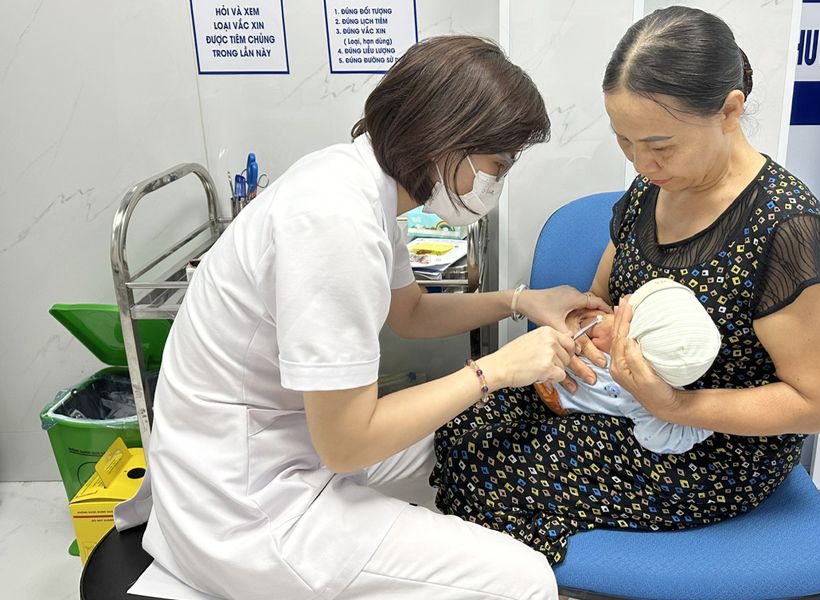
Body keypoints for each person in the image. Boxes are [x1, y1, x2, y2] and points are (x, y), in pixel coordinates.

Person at [114, 36, 609, 600]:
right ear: (445, 143)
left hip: (286, 443)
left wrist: (521, 301)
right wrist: (495, 369)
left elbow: (412, 313)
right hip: (251, 509)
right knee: (525, 582)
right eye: (498, 164)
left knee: (464, 445)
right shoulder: (334, 224)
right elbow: (347, 444)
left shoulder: (360, 186)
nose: (499, 181)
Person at [432, 6, 820, 564]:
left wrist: (674, 404)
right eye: (624, 142)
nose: (641, 161)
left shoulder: (789, 231)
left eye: (660, 143)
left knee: (489, 468)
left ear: (729, 111)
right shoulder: (648, 194)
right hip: (618, 401)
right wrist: (585, 334)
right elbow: (600, 299)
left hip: (710, 447)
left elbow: (816, 405)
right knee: (462, 427)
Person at [534, 277, 720, 454]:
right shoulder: (651, 400)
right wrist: (704, 426)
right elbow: (655, 438)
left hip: (556, 394)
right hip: (548, 377)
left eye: (631, 309)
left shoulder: (647, 397)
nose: (623, 302)